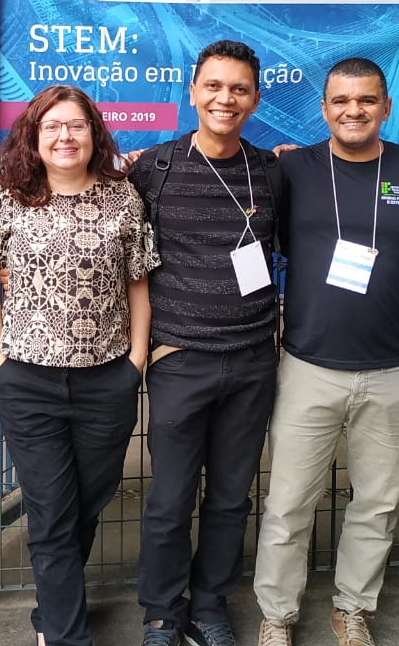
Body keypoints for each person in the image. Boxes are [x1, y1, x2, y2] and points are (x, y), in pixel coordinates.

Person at [253, 58, 399, 646]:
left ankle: (352, 607)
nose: (352, 111)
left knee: (378, 503)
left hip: (392, 369)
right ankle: (277, 614)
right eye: (340, 101)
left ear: (387, 107)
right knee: (287, 503)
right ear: (324, 107)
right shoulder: (294, 170)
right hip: (308, 366)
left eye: (366, 100)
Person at [0, 85, 159, 646]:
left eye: (76, 125)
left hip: (108, 377)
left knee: (86, 502)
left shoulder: (123, 198)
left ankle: (53, 608)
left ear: (94, 133)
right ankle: (65, 634)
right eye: (51, 126)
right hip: (29, 378)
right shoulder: (11, 197)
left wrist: (136, 359)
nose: (65, 136)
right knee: (52, 512)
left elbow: (138, 283)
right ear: (33, 135)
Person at [130, 40, 281, 646]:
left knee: (229, 496)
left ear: (255, 98)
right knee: (168, 499)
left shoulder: (272, 172)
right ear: (191, 92)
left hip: (251, 359)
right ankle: (163, 611)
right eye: (213, 87)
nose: (225, 99)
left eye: (239, 89)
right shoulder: (153, 168)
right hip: (178, 358)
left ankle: (210, 604)